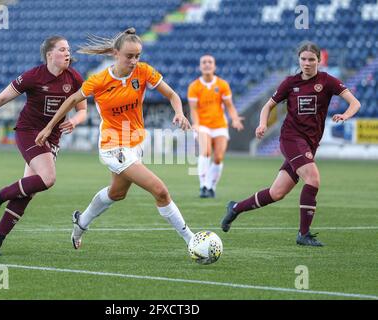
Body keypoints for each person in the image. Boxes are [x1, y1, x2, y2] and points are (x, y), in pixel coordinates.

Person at [35, 28, 194, 251]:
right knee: (160, 190)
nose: (134, 61)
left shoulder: (143, 72)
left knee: (117, 193)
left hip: (135, 143)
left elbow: (172, 95)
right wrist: (49, 127)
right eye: (129, 56)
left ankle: (80, 223)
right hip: (112, 146)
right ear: (115, 54)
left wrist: (179, 112)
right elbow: (71, 100)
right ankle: (192, 241)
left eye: (137, 56)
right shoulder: (99, 81)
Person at [220, 41, 361, 246]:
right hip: (291, 138)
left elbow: (355, 102)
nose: (307, 63)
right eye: (303, 59)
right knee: (313, 179)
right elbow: (268, 106)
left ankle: (235, 208)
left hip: (310, 143)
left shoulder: (328, 81)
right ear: (299, 60)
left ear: (319, 60)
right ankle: (303, 234)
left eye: (311, 59)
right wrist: (261, 125)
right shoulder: (289, 83)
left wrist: (345, 115)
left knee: (277, 193)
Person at [0, 36, 87, 255]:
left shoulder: (74, 77)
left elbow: (83, 110)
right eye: (62, 49)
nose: (68, 53)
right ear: (49, 55)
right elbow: (0, 99)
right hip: (29, 132)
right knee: (48, 179)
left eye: (69, 49)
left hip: (52, 138)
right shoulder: (33, 76)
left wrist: (73, 121)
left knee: (28, 190)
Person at [187, 55, 244, 198]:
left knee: (218, 157)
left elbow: (229, 105)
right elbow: (193, 109)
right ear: (200, 66)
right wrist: (196, 124)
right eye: (204, 62)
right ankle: (203, 186)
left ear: (214, 66)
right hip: (203, 125)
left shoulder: (222, 84)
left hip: (219, 125)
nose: (207, 64)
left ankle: (211, 187)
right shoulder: (194, 86)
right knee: (205, 151)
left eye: (210, 62)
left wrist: (235, 118)